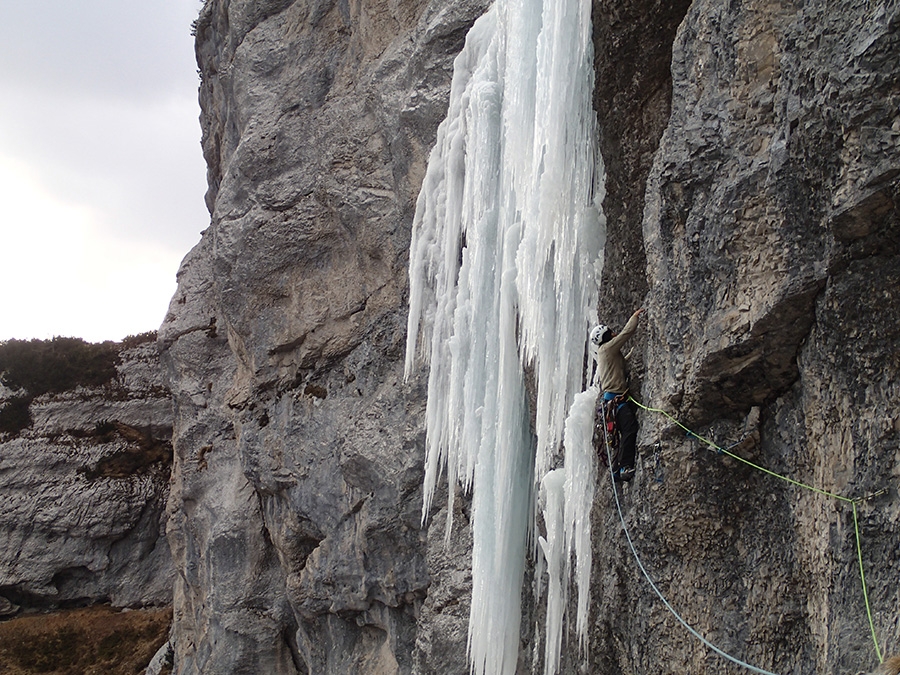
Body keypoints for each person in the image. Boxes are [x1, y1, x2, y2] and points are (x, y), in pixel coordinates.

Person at [590, 308, 644, 481]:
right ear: (606, 336)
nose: (613, 332)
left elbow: (619, 365)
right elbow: (625, 333)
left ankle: (617, 469)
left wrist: (635, 353)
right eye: (609, 331)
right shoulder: (608, 348)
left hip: (613, 402)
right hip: (616, 401)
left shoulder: (605, 352)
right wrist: (635, 317)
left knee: (624, 432)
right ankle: (624, 467)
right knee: (630, 428)